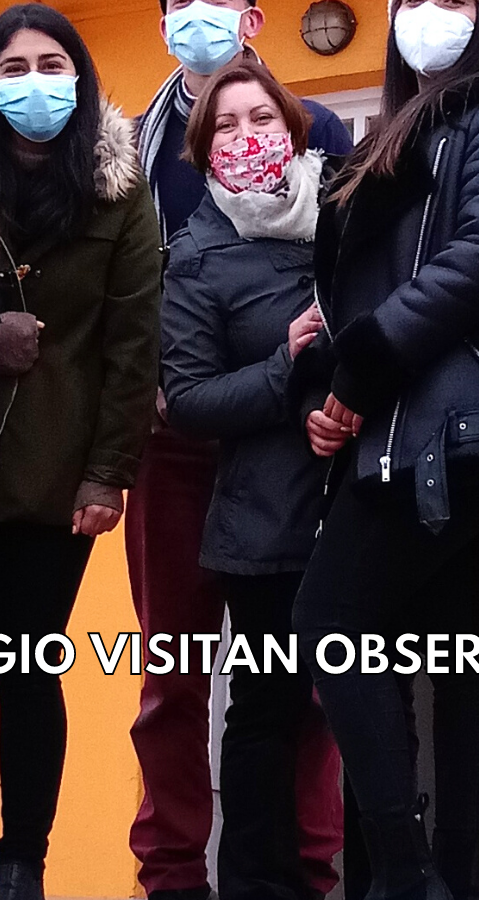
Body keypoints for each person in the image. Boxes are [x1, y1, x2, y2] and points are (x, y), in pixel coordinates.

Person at [290, 0, 479, 900]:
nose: (427, 17)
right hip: (399, 433)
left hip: (443, 435)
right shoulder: (403, 135)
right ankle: (438, 876)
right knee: (451, 666)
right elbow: (364, 288)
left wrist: (358, 376)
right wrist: (326, 379)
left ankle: (408, 875)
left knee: (331, 617)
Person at [0, 4, 162, 900]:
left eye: (51, 64)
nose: (32, 83)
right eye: (12, 66)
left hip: (58, 482)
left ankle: (25, 867)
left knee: (28, 672)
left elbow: (135, 342)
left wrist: (109, 472)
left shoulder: (118, 188)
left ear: (82, 76)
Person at [129, 0, 351, 900]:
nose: (198, 14)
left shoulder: (329, 135)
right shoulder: (131, 146)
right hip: (176, 449)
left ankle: (307, 867)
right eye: (180, 0)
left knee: (304, 687)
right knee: (174, 673)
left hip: (297, 457)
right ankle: (173, 874)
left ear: (254, 21)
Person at [159, 58, 336, 900]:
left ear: (293, 128)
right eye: (225, 126)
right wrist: (285, 363)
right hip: (264, 523)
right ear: (203, 150)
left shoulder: (343, 214)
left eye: (261, 118)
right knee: (267, 715)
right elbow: (188, 399)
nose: (246, 137)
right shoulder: (195, 255)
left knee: (357, 710)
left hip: (361, 503)